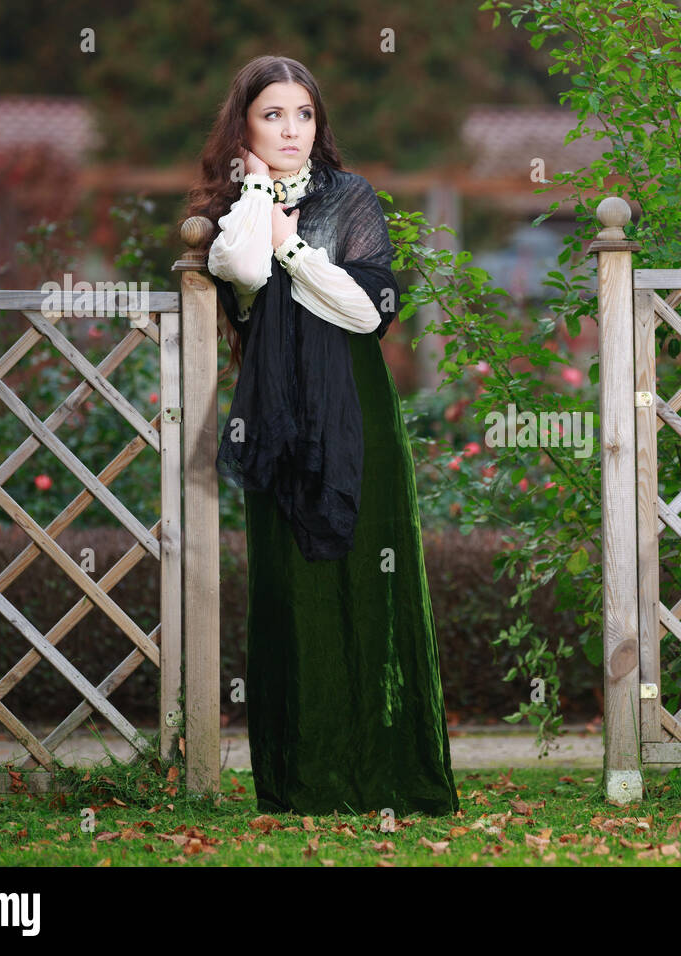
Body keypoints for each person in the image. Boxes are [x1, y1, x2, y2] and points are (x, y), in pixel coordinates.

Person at [183, 55, 459, 817]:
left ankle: (383, 774)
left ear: (319, 124)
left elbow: (368, 311)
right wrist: (262, 204)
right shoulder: (238, 206)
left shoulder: (351, 198)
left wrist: (295, 245)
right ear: (244, 125)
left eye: (303, 114)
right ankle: (305, 779)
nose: (291, 129)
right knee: (292, 589)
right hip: (275, 419)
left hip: (355, 411)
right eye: (273, 114)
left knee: (367, 584)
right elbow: (239, 270)